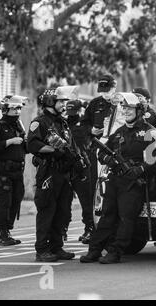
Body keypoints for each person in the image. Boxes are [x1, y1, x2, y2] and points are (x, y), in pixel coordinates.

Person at [80, 92, 155, 264]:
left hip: (134, 184)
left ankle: (115, 252)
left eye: (130, 108)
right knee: (107, 215)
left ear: (140, 110)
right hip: (116, 180)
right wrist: (111, 162)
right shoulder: (119, 132)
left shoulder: (150, 132)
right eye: (124, 107)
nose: (126, 111)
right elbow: (101, 152)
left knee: (126, 218)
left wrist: (139, 169)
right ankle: (94, 250)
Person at [27, 86, 78, 262]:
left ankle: (57, 247)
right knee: (47, 210)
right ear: (50, 102)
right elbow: (32, 145)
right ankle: (42, 250)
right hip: (48, 171)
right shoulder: (39, 122)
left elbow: (70, 144)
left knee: (62, 211)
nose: (64, 104)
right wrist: (53, 151)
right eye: (61, 101)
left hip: (64, 172)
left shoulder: (62, 122)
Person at [0, 95, 28, 246]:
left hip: (18, 170)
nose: (18, 111)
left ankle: (8, 231)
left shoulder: (19, 126)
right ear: (5, 109)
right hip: (3, 170)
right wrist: (10, 141)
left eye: (19, 108)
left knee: (17, 199)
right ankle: (3, 233)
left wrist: (26, 142)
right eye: (14, 108)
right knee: (5, 201)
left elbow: (26, 148)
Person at [81, 75, 117, 195]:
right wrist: (91, 130)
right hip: (96, 149)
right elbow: (84, 123)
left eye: (107, 91)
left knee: (110, 184)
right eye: (102, 91)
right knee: (94, 185)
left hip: (114, 150)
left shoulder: (121, 103)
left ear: (114, 88)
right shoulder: (95, 103)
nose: (105, 94)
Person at [64, 99, 94, 244]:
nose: (71, 115)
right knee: (63, 201)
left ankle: (89, 229)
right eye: (69, 112)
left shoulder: (87, 123)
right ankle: (62, 230)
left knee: (86, 201)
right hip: (66, 166)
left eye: (74, 112)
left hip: (83, 166)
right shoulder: (62, 123)